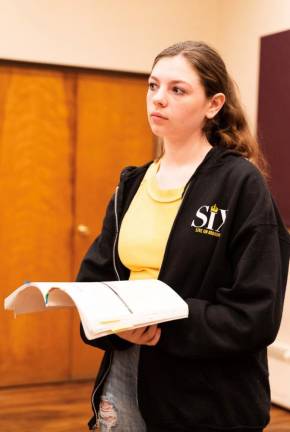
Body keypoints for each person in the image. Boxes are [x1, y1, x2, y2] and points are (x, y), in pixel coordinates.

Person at [77, 41, 290, 432]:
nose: (158, 99)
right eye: (153, 86)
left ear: (214, 104)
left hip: (207, 393)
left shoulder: (241, 184)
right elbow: (95, 279)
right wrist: (111, 323)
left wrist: (165, 324)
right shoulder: (132, 184)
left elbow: (257, 313)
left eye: (178, 89)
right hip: (125, 370)